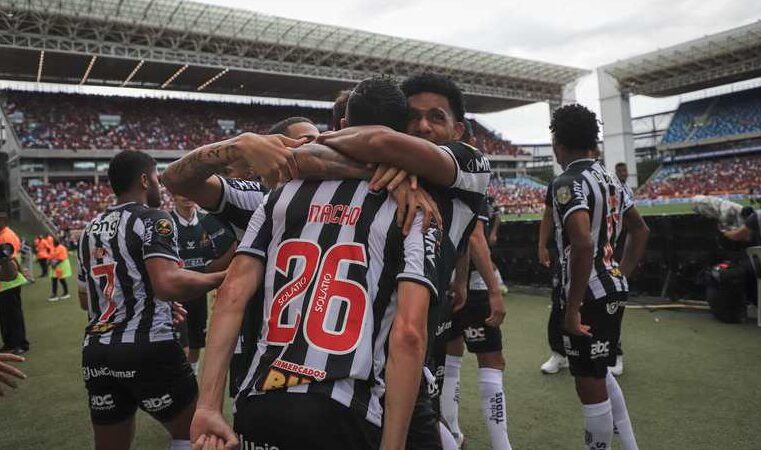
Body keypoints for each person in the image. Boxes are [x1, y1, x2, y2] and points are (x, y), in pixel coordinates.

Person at [190, 76, 440, 450]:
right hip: (344, 410)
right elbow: (408, 335)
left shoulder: (281, 193)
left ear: (342, 126)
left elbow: (231, 295)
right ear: (404, 134)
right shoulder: (412, 207)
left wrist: (208, 404)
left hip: (261, 402)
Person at [318, 72, 495, 450]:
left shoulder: (471, 164)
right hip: (346, 364)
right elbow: (301, 156)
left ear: (459, 129)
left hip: (397, 361)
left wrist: (353, 150)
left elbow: (375, 142)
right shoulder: (388, 168)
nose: (423, 127)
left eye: (436, 117)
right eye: (413, 117)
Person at [77, 150, 226, 450]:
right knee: (193, 434)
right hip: (147, 347)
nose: (161, 185)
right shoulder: (154, 218)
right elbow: (168, 283)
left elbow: (85, 299)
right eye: (158, 178)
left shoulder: (88, 229)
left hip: (96, 354)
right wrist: (227, 276)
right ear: (145, 180)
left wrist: (155, 303)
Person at [549, 104, 649, 450]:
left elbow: (581, 241)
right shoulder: (611, 179)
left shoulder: (567, 182)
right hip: (612, 287)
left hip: (588, 294)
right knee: (600, 370)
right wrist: (621, 271)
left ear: (558, 145)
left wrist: (572, 306)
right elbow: (640, 229)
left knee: (588, 381)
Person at [441, 196, 512, 450]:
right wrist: (495, 289)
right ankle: (501, 445)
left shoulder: (435, 175)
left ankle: (452, 433)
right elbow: (474, 236)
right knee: (492, 362)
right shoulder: (473, 180)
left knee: (450, 357)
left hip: (442, 283)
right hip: (474, 286)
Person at [169, 194, 236, 374]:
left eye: (189, 190)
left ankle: (192, 373)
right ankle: (183, 377)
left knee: (197, 342)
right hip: (177, 295)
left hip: (199, 292)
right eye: (181, 191)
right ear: (173, 195)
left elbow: (213, 261)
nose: (187, 196)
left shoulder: (208, 222)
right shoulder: (167, 223)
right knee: (179, 344)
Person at [538, 188, 569, 374]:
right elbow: (549, 214)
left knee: (595, 304)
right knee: (558, 303)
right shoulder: (558, 184)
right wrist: (541, 245)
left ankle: (612, 352)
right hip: (565, 255)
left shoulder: (602, 178)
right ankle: (559, 354)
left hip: (596, 254)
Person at [0, 211, 29, 355]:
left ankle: (20, 344)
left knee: (13, 315)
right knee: (5, 315)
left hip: (9, 281)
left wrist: (21, 272)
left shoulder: (6, 236)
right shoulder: (2, 234)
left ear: (3, 221)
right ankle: (9, 342)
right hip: (4, 282)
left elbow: (10, 259)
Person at [48, 237, 72, 302]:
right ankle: (54, 294)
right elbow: (50, 256)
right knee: (54, 280)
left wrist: (55, 263)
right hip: (54, 267)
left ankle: (66, 293)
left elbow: (62, 258)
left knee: (62, 280)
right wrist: (50, 262)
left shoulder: (62, 248)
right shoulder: (52, 247)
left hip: (61, 266)